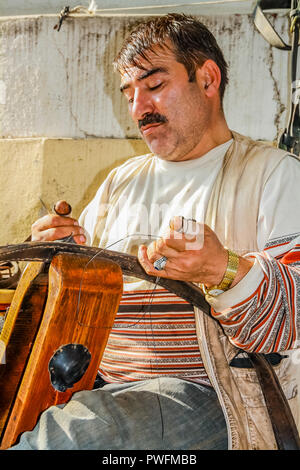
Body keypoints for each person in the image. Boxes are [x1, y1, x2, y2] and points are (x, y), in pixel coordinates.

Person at [12, 13, 300, 450]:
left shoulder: (275, 175)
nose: (138, 109)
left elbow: (294, 316)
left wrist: (223, 270)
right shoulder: (120, 181)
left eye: (154, 85)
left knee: (70, 439)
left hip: (216, 392)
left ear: (206, 78)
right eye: (129, 93)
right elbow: (81, 290)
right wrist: (58, 257)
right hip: (100, 382)